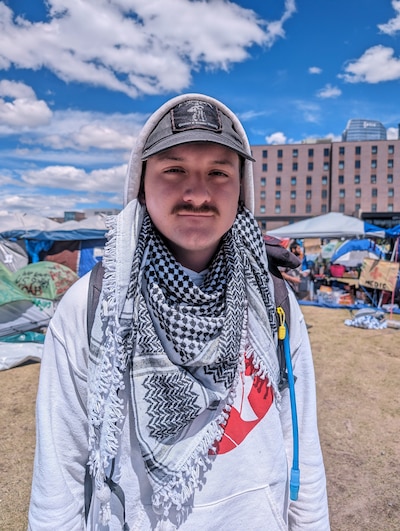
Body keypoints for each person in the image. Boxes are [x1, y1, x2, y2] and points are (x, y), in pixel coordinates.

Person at [28, 94, 330, 530]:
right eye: (173, 169)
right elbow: (60, 474)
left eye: (218, 172)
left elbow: (299, 440)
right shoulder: (92, 306)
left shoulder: (272, 299)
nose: (197, 193)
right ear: (141, 184)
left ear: (241, 187)